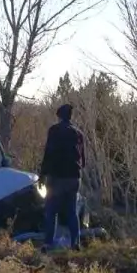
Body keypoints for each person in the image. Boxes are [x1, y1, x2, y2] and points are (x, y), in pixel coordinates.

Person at [38, 103, 84, 251]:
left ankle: (47, 244)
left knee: (51, 211)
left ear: (59, 116)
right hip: (73, 178)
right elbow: (83, 160)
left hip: (56, 178)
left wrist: (42, 176)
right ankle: (75, 243)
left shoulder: (54, 131)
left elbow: (48, 154)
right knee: (72, 211)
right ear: (71, 117)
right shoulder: (78, 133)